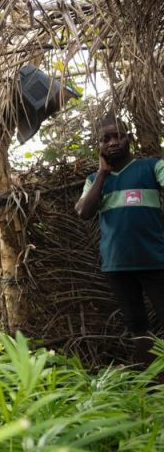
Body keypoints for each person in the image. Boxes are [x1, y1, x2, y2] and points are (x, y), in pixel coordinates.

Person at [75, 117, 164, 339]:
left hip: (155, 259)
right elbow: (84, 212)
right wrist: (103, 174)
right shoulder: (94, 180)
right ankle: (151, 373)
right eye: (106, 139)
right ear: (99, 146)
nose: (113, 142)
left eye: (119, 136)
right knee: (137, 325)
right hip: (117, 264)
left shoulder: (153, 167)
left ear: (130, 139)